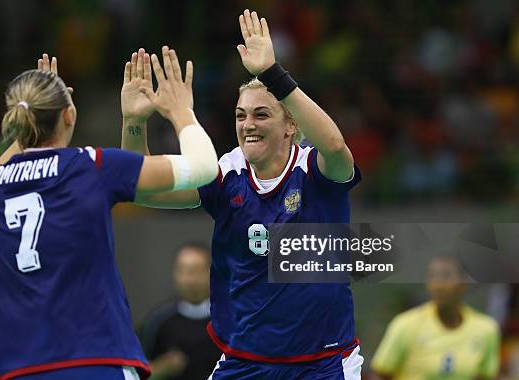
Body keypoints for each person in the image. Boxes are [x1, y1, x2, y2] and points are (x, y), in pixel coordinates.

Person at [122, 10, 363, 379]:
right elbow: (141, 188)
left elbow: (334, 143)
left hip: (324, 363)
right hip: (245, 362)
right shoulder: (225, 175)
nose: (248, 124)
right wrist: (135, 123)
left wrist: (272, 74)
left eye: (262, 114)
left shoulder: (316, 172)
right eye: (240, 115)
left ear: (290, 126)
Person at [0, 50, 218, 380]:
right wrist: (181, 111)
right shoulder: (90, 166)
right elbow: (204, 167)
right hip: (96, 363)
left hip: (17, 370)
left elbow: (15, 164)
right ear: (70, 115)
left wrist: (130, 123)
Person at [371, 256, 500, 380]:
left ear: (463, 283)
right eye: (433, 276)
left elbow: (486, 376)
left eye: (446, 276)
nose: (439, 285)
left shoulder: (486, 329)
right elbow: (380, 374)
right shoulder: (405, 324)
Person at [141, 242, 220, 380]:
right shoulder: (160, 321)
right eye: (182, 271)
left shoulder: (228, 320)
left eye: (196, 271)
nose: (189, 280)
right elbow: (140, 373)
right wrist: (162, 368)